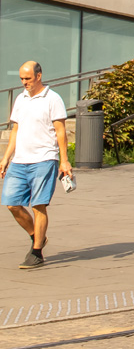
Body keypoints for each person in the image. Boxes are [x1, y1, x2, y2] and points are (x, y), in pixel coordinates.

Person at [1, 61, 73, 269]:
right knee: (12, 204)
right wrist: (6, 157)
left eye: (28, 79)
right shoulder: (21, 99)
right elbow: (15, 130)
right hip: (20, 160)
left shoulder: (53, 99)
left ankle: (37, 252)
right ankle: (37, 236)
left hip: (44, 159)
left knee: (38, 205)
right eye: (22, 79)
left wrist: (64, 160)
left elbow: (61, 132)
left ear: (39, 76)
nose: (24, 83)